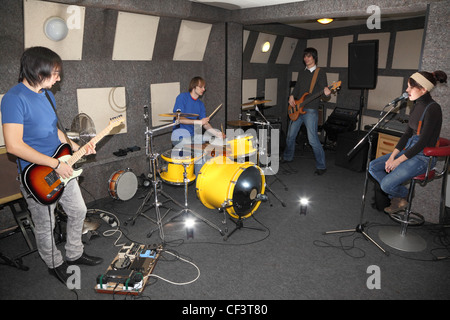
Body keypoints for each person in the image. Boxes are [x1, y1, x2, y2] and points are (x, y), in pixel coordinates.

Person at [1, 46, 103, 285]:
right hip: (36, 174)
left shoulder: (47, 95)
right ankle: (54, 264)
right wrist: (56, 163)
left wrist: (75, 146)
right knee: (46, 224)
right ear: (38, 71)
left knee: (78, 210)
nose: (58, 78)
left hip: (62, 165)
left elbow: (54, 131)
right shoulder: (13, 99)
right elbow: (14, 146)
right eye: (54, 73)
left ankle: (75, 253)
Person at [369, 70, 447, 214]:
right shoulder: (416, 105)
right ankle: (399, 197)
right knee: (373, 167)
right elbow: (406, 135)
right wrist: (393, 156)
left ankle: (402, 194)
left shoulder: (433, 109)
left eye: (410, 87)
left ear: (423, 89)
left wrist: (397, 162)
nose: (406, 90)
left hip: (423, 157)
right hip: (410, 151)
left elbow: (422, 142)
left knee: (386, 185)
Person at [282, 47, 331, 175]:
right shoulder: (302, 72)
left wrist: (327, 93)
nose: (306, 58)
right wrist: (292, 96)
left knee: (313, 139)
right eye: (305, 56)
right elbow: (298, 88)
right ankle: (287, 157)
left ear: (314, 57)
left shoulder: (320, 73)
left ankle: (321, 166)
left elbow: (324, 94)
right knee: (290, 136)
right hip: (298, 108)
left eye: (309, 56)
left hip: (311, 110)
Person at [171, 76, 225, 173]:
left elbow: (205, 124)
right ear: (194, 86)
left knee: (216, 141)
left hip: (193, 137)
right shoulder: (182, 97)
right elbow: (178, 118)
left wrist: (217, 134)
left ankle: (211, 176)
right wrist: (198, 122)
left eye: (204, 87)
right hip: (179, 138)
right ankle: (198, 185)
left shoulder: (200, 104)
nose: (203, 89)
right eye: (201, 87)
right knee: (199, 151)